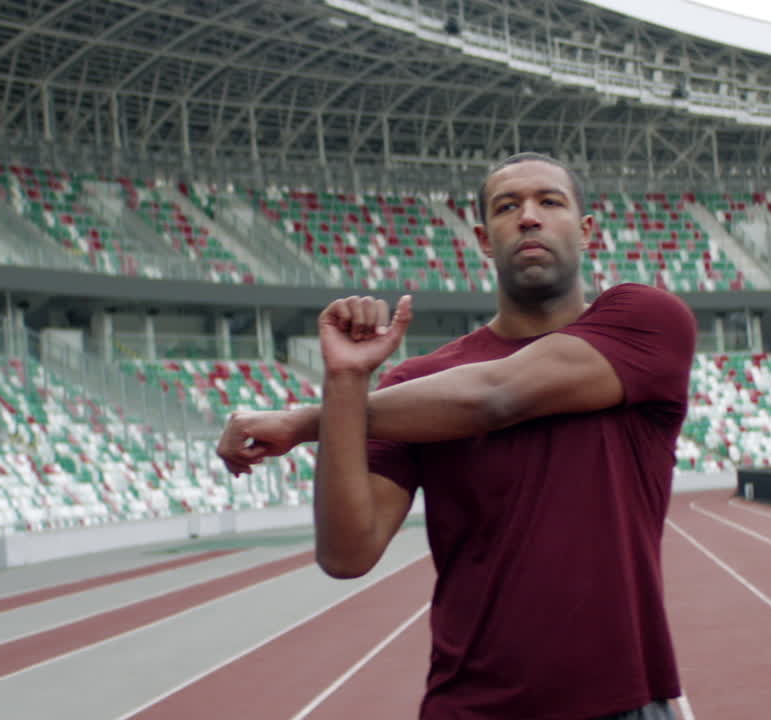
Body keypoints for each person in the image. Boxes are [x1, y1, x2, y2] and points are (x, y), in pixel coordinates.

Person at [219, 152, 696, 720]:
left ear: (587, 230)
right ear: (483, 239)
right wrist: (344, 379)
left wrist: (307, 421)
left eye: (550, 201)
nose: (528, 217)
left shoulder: (647, 321)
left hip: (625, 704)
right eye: (506, 207)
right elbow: (347, 554)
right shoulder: (411, 389)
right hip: (469, 707)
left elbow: (497, 396)